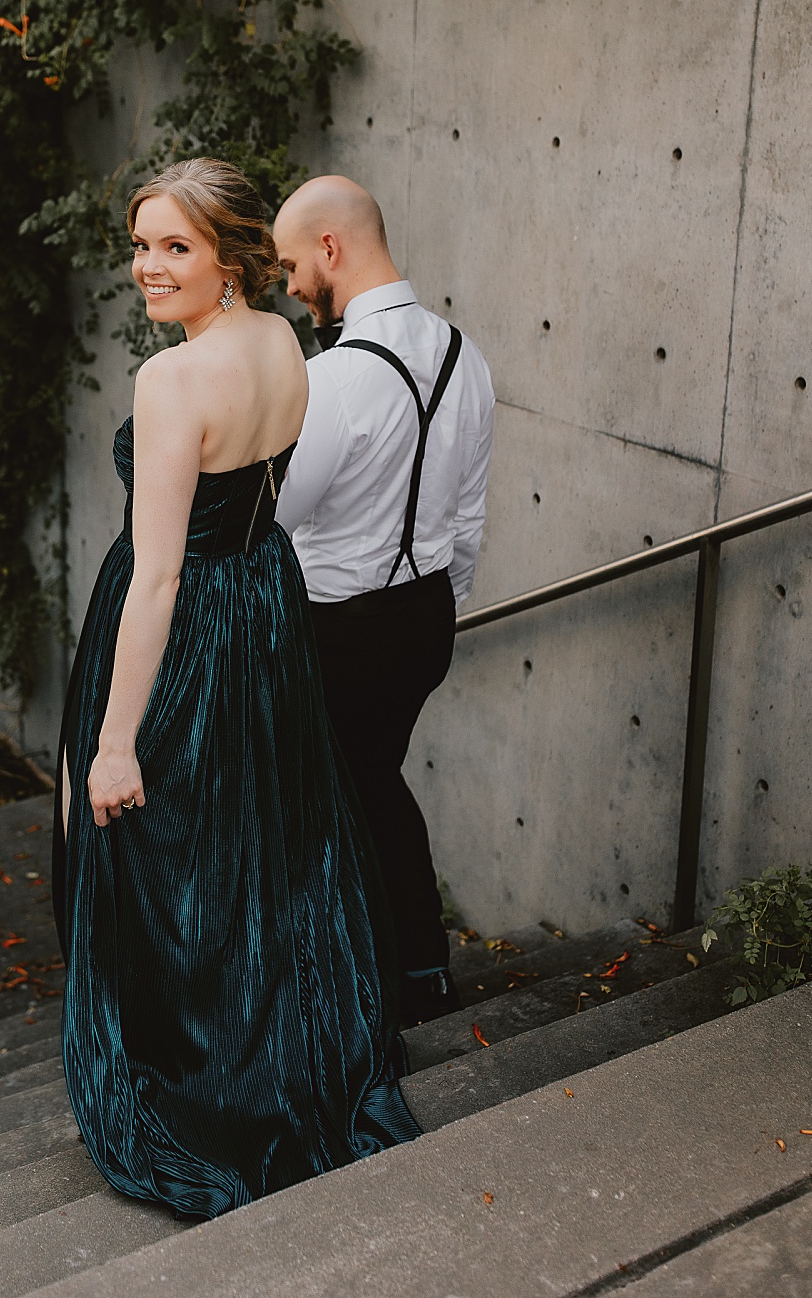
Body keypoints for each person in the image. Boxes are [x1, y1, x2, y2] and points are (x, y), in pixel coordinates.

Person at [54, 158, 418, 1222]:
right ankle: (277, 1043)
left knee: (156, 849)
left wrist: (115, 739)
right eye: (140, 244)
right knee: (253, 847)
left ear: (231, 254)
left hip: (188, 617)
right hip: (265, 603)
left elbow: (159, 572)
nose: (148, 267)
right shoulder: (285, 339)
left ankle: (202, 1078)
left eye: (176, 245)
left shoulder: (172, 379)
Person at [271, 175, 494, 1027]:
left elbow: (278, 521)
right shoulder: (464, 354)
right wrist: (437, 607)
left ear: (331, 248)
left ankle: (372, 986)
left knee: (336, 799)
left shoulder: (332, 379)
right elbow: (467, 516)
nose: (291, 285)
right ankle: (416, 975)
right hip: (425, 619)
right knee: (373, 783)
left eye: (293, 264)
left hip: (343, 632)